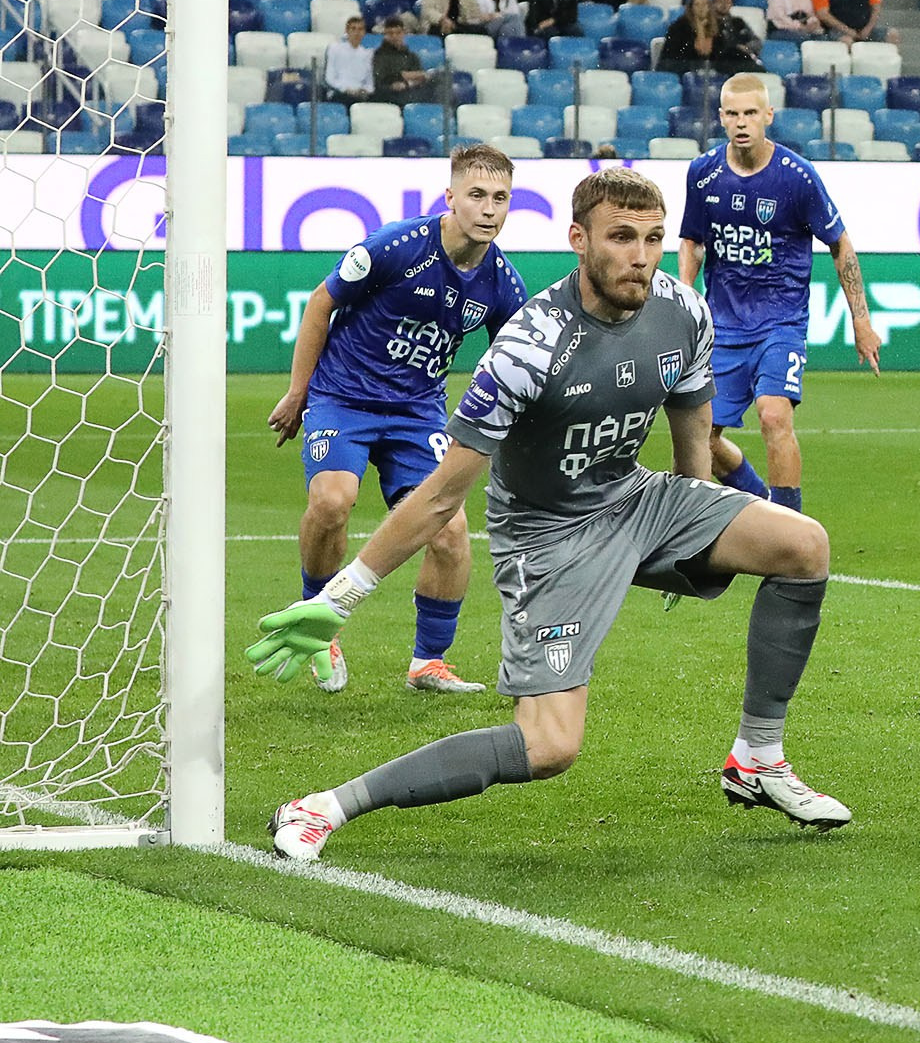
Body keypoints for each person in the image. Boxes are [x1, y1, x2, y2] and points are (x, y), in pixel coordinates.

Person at [256, 169, 854, 860]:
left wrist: (700, 523)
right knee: (549, 745)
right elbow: (442, 497)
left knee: (804, 544)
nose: (642, 254)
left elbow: (692, 434)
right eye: (622, 237)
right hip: (548, 536)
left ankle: (758, 757)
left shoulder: (684, 309)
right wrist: (343, 594)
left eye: (655, 238)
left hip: (636, 499)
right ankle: (322, 806)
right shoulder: (528, 346)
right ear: (578, 239)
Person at [261, 146, 528, 697]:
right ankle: (319, 622)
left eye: (499, 198)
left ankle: (428, 663)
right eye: (476, 196)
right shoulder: (398, 246)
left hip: (417, 411)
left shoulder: (502, 282)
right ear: (449, 197)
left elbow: (513, 356)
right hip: (344, 398)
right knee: (333, 502)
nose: (488, 209)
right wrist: (298, 392)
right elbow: (320, 303)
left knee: (450, 531)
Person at [679, 74, 884, 518]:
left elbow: (840, 243)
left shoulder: (797, 177)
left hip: (780, 322)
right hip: (723, 326)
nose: (741, 122)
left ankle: (789, 526)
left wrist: (861, 320)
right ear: (720, 118)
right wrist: (685, 298)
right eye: (732, 113)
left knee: (773, 415)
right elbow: (693, 241)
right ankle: (759, 505)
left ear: (768, 116)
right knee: (703, 438)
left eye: (751, 113)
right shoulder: (703, 173)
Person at [320, 13, 373, 102]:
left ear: (364, 32)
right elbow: (329, 78)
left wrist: (365, 90)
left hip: (360, 94)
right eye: (353, 29)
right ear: (347, 31)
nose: (357, 32)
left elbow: (369, 82)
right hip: (339, 92)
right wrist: (345, 89)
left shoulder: (367, 54)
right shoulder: (335, 49)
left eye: (360, 29)